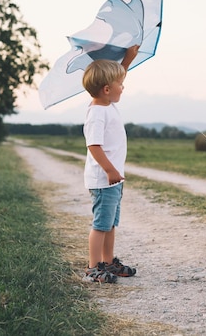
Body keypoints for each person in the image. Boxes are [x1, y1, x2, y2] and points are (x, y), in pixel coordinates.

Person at [81, 45, 140, 283]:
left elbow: (116, 76)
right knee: (101, 225)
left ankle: (108, 261)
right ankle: (93, 268)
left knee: (111, 223)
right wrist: (110, 170)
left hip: (112, 179)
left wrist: (127, 59)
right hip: (104, 179)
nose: (123, 86)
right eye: (120, 84)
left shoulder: (107, 103)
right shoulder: (97, 113)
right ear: (107, 89)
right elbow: (93, 146)